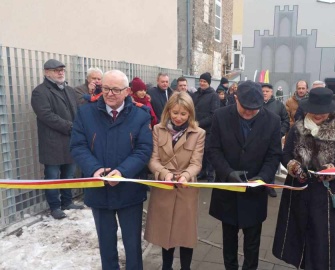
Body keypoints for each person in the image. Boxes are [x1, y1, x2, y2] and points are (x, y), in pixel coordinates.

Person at [70, 70, 153, 270]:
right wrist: (95, 168)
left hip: (129, 191)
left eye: (116, 89)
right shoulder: (85, 113)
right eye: (105, 88)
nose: (110, 93)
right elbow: (77, 146)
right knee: (106, 245)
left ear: (127, 92)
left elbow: (144, 150)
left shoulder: (140, 116)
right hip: (99, 190)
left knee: (133, 245)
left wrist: (122, 172)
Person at [272, 87, 335, 270]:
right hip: (299, 189)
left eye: (322, 111)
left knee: (323, 236)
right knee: (299, 232)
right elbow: (285, 155)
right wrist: (292, 166)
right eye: (314, 110)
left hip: (327, 192)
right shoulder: (297, 128)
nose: (317, 115)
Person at [208, 80, 282, 270]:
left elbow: (274, 155)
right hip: (228, 189)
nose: (249, 113)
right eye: (245, 108)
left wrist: (263, 177)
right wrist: (227, 172)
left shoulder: (272, 120)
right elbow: (213, 149)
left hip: (255, 191)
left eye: (254, 109)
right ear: (236, 99)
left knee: (252, 242)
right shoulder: (220, 116)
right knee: (229, 240)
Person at [144, 92, 205, 270]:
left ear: (190, 114)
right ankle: (166, 266)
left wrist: (186, 175)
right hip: (164, 187)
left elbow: (196, 162)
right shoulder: (157, 129)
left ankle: (186, 267)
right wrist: (164, 173)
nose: (178, 117)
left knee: (185, 234)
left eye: (183, 114)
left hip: (186, 188)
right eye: (175, 112)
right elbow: (153, 159)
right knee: (165, 234)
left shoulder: (198, 133)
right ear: (168, 111)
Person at [31, 59, 84, 220]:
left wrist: (79, 127)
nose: (60, 72)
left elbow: (77, 111)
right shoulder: (40, 92)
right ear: (46, 72)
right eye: (56, 70)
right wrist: (70, 126)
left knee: (68, 174)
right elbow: (46, 115)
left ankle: (67, 202)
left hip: (70, 140)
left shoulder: (69, 90)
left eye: (62, 70)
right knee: (52, 176)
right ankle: (54, 206)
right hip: (52, 142)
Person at [262, 83, 290, 198]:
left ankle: (271, 186)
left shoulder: (279, 105)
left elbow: (286, 120)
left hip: (273, 140)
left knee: (272, 162)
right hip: (257, 140)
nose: (264, 93)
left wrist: (280, 133)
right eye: (262, 91)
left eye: (267, 91)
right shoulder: (256, 104)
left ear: (272, 92)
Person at [191, 72, 220, 182]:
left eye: (205, 81)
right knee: (199, 152)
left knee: (209, 153)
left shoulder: (213, 96)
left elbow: (214, 115)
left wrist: (199, 123)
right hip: (195, 129)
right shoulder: (196, 94)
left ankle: (210, 175)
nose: (202, 83)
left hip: (208, 130)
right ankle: (202, 172)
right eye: (201, 81)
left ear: (209, 83)